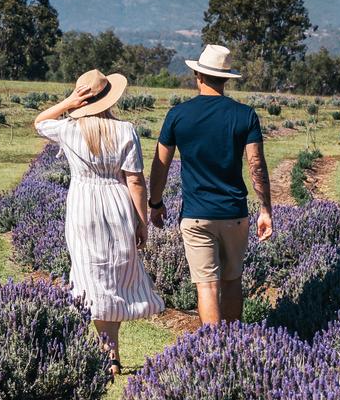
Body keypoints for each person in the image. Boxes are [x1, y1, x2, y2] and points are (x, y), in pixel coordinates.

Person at [34, 69, 165, 374]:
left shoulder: (69, 129)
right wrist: (141, 220)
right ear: (109, 98)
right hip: (117, 203)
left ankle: (107, 350)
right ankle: (112, 351)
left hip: (83, 207)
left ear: (82, 100)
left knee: (91, 276)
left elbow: (39, 122)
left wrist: (68, 102)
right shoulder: (125, 130)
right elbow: (135, 181)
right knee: (115, 275)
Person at [148, 44, 272, 326]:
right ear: (226, 78)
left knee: (207, 286)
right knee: (232, 282)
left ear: (198, 76)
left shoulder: (178, 115)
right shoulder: (245, 115)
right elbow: (256, 166)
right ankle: (230, 347)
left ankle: (214, 353)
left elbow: (160, 165)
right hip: (234, 214)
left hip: (196, 214)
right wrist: (265, 209)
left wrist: (155, 204)